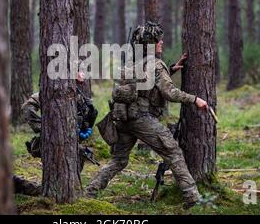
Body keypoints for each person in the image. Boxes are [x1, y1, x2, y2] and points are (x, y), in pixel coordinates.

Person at [85, 21, 208, 208]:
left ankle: (89, 193)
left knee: (118, 160)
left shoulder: (133, 63)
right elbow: (169, 93)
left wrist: (172, 68)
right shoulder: (156, 65)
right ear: (150, 44)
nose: (162, 42)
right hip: (142, 120)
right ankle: (192, 196)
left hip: (123, 120)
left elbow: (146, 84)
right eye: (159, 40)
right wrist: (195, 99)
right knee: (173, 152)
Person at [22, 71, 98, 173]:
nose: (82, 74)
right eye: (79, 71)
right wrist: (42, 127)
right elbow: (27, 108)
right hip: (52, 143)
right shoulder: (48, 94)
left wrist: (92, 113)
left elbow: (84, 127)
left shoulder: (79, 98)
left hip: (72, 143)